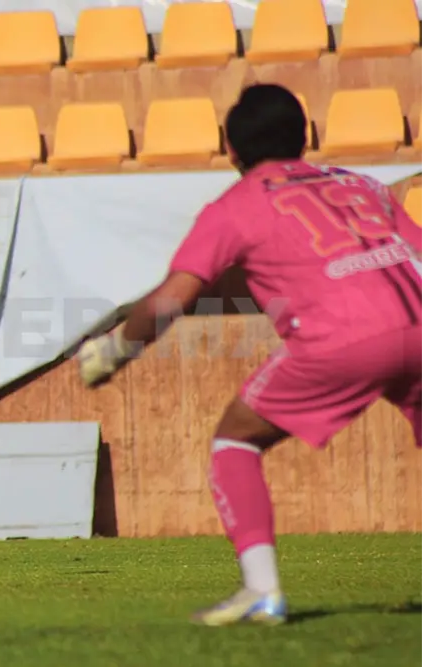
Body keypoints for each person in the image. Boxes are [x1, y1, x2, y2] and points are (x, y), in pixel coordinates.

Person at [76, 83, 422, 627]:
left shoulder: (236, 205)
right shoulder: (362, 185)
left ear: (231, 150)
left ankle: (262, 591)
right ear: (306, 136)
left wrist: (115, 349)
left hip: (342, 341)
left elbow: (173, 299)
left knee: (235, 438)